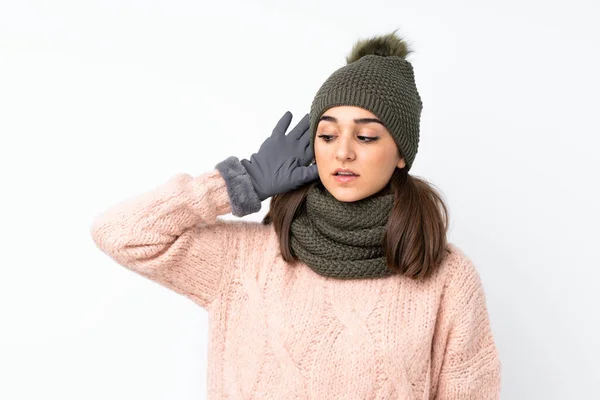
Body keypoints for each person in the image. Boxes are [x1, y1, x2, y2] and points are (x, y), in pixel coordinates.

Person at [90, 29, 501, 399]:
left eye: (366, 136)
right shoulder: (244, 260)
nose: (343, 151)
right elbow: (119, 232)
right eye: (326, 135)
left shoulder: (445, 278)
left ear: (400, 155)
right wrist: (241, 182)